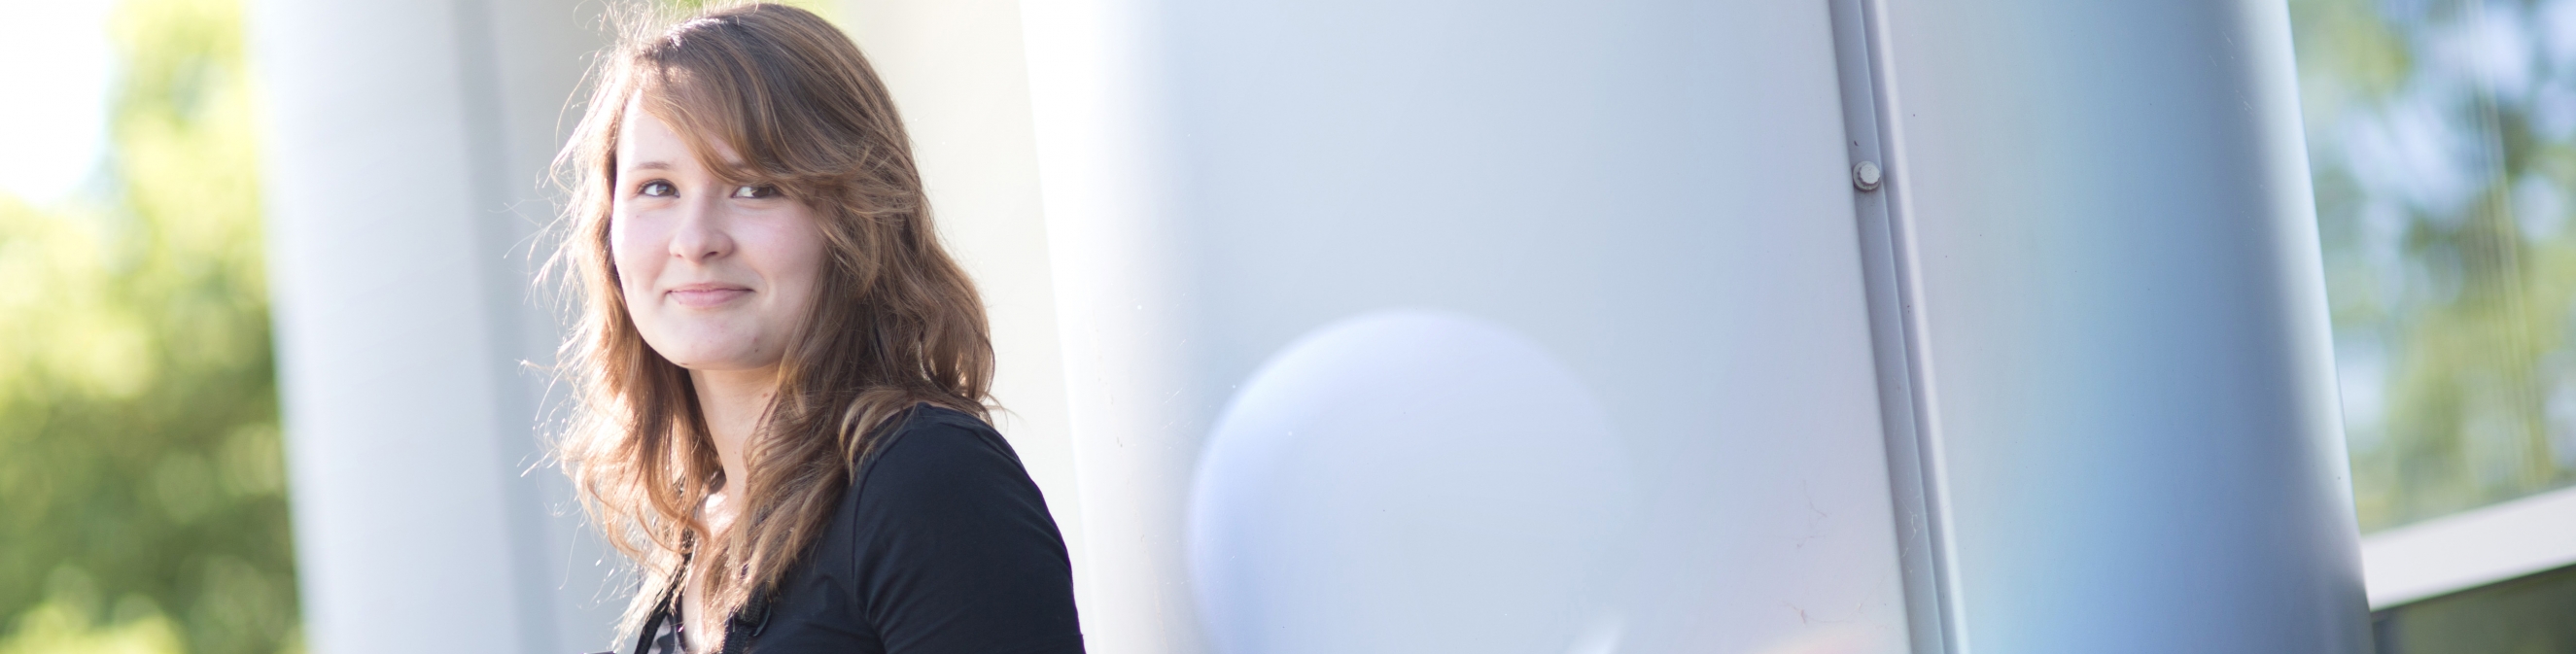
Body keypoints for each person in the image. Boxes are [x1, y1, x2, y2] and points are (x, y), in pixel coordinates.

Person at [549, 4, 1084, 653]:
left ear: (857, 218)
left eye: (754, 187)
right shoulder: (701, 532)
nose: (695, 240)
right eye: (658, 188)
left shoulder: (929, 481)